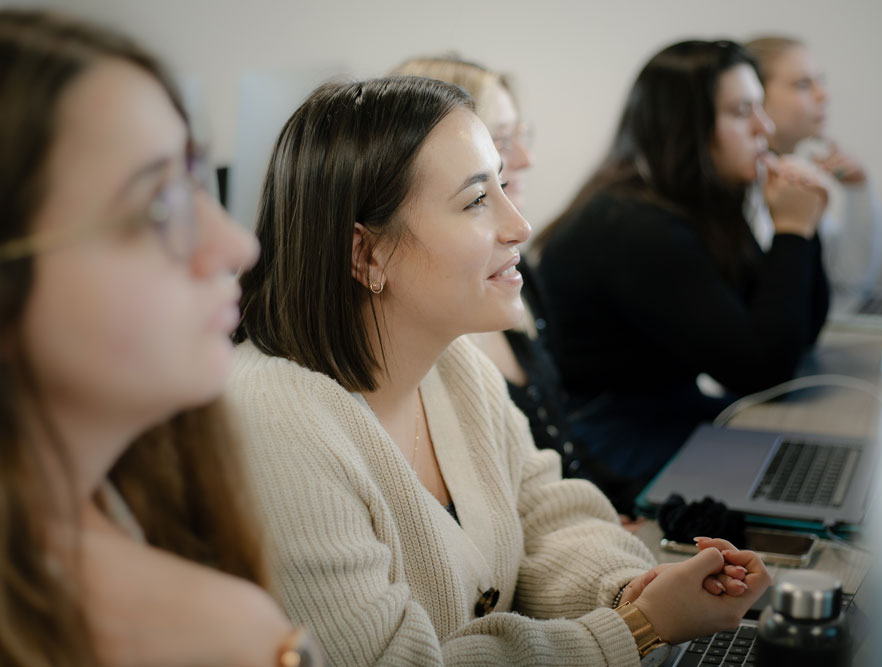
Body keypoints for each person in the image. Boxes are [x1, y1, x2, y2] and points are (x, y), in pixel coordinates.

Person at [228, 75, 770, 664]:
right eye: (477, 200)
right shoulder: (275, 424)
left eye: (503, 185)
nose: (520, 225)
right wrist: (632, 630)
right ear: (366, 254)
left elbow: (548, 516)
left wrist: (628, 587)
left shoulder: (455, 365)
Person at [0, 10, 320, 665]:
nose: (238, 244)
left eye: (196, 182)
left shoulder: (141, 497)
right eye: (159, 207)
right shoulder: (221, 635)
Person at [536, 40, 830, 491]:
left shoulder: (696, 204)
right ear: (685, 128)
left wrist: (802, 230)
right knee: (805, 474)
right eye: (741, 112)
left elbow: (796, 332)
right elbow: (763, 369)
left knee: (817, 456)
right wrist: (792, 232)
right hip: (610, 440)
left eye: (760, 109)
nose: (763, 127)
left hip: (665, 413)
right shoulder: (635, 226)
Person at [391, 55, 639, 514]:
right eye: (501, 140)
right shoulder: (425, 341)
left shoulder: (517, 279)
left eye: (519, 136)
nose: (524, 159)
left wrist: (635, 507)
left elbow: (558, 457)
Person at [745, 35, 882, 296]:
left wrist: (859, 191)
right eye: (803, 84)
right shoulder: (746, 182)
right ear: (754, 94)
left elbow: (849, 279)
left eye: (821, 81)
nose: (823, 95)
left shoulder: (793, 171)